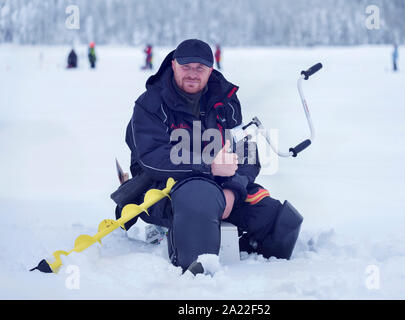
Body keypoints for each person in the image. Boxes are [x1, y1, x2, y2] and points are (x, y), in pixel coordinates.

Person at [115, 39, 303, 274]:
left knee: (281, 222)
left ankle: (247, 260)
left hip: (220, 187)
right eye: (186, 67)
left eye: (200, 68)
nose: (193, 74)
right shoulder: (150, 104)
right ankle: (196, 275)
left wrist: (233, 190)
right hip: (163, 187)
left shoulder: (225, 101)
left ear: (210, 70)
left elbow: (248, 150)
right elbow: (152, 157)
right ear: (173, 65)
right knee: (199, 196)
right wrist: (208, 166)